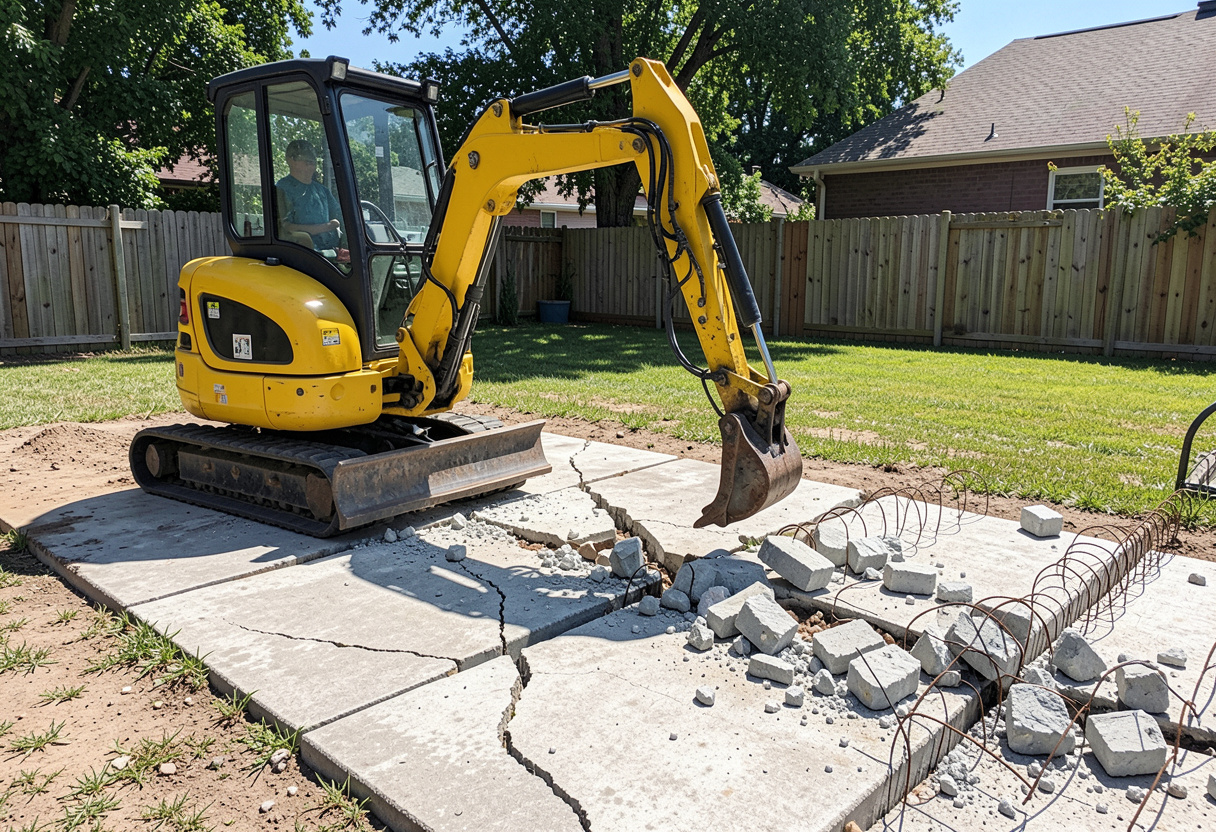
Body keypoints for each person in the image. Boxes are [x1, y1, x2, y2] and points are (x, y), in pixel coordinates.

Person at [276, 139, 343, 251]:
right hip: (301, 253)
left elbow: (341, 217)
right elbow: (284, 227)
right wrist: (324, 227)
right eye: (304, 159)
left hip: (330, 253)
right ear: (290, 160)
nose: (310, 163)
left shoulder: (322, 191)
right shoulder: (281, 189)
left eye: (312, 159)